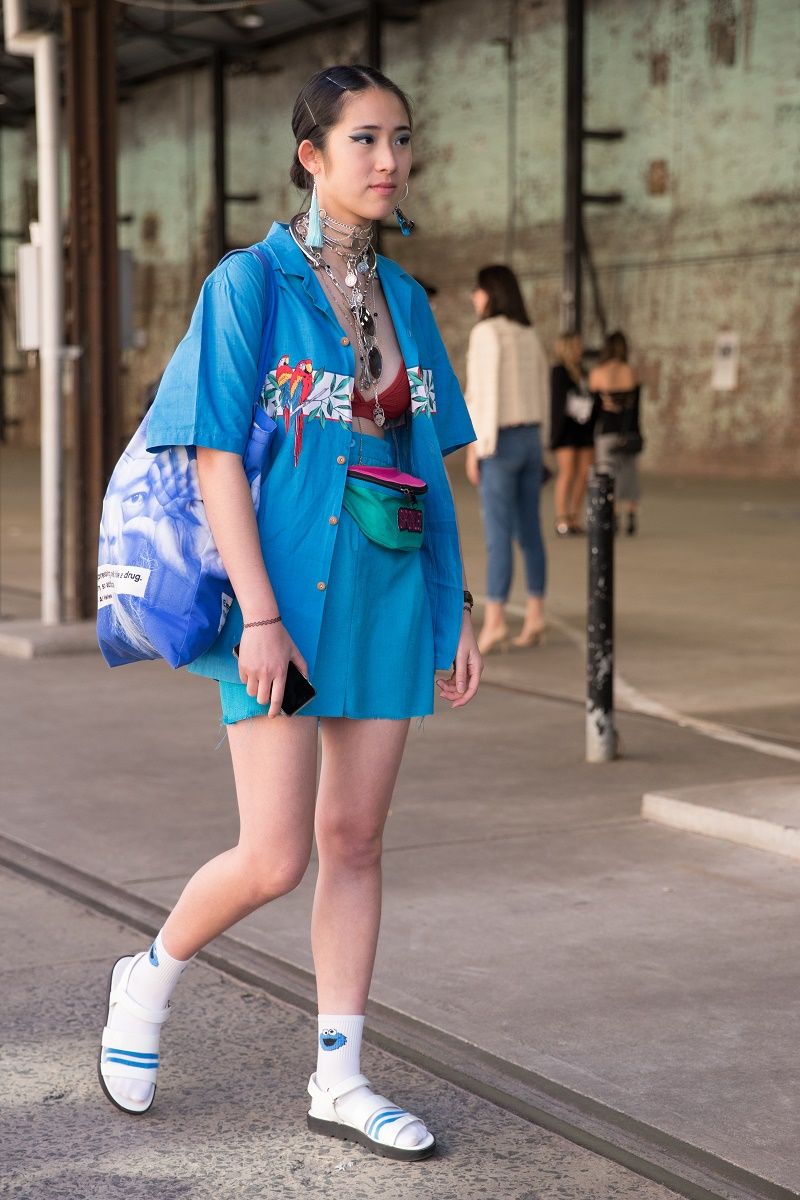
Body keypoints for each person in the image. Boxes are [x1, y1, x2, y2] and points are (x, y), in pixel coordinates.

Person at [97, 65, 482, 1164]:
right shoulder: (248, 288)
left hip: (386, 596)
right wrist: (259, 619)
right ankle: (152, 975)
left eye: (401, 139)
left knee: (354, 841)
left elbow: (425, 462)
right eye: (364, 140)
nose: (389, 160)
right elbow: (215, 456)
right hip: (277, 611)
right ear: (311, 155)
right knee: (274, 857)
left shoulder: (405, 302)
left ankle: (340, 1075)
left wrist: (455, 599)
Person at [464, 265, 550, 655]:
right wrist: (542, 443)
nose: (473, 297)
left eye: (478, 289)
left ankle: (495, 621)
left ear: (492, 292)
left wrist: (476, 448)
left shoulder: (486, 332)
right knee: (530, 532)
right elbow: (544, 392)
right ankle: (535, 613)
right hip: (530, 438)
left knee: (498, 536)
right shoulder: (528, 334)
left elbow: (481, 394)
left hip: (498, 441)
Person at [589, 330, 643, 536]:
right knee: (629, 474)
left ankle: (612, 514)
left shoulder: (598, 373)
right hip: (628, 431)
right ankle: (631, 514)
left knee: (608, 473)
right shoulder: (630, 372)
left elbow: (595, 410)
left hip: (606, 431)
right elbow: (636, 409)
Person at [549, 330, 596, 536]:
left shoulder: (583, 372)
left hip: (584, 427)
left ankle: (574, 516)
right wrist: (555, 435)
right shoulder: (559, 371)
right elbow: (558, 403)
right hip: (566, 429)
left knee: (584, 472)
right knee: (567, 472)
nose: (580, 350)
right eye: (576, 346)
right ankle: (562, 518)